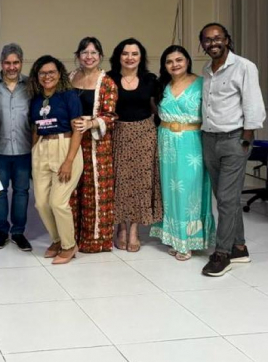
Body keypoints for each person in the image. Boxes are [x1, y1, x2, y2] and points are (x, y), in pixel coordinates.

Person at [199, 23, 266, 277]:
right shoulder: (207, 70)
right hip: (209, 139)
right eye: (207, 39)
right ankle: (239, 247)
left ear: (227, 39)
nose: (212, 43)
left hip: (234, 140)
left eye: (217, 38)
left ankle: (222, 253)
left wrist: (246, 138)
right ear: (202, 44)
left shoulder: (244, 66)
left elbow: (253, 103)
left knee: (227, 199)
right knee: (225, 197)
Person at [150, 46, 216, 261]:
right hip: (166, 142)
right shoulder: (162, 85)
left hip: (192, 143)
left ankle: (188, 240)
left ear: (187, 61)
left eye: (179, 59)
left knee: (190, 190)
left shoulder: (201, 83)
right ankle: (175, 237)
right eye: (169, 61)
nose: (174, 64)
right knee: (170, 191)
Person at [29, 55, 85, 264]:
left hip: (65, 147)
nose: (47, 76)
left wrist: (69, 161)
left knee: (58, 202)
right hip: (42, 148)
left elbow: (78, 129)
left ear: (59, 73)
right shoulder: (35, 98)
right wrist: (34, 150)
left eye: (51, 72)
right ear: (37, 76)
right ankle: (57, 239)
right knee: (41, 203)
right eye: (42, 73)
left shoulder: (68, 95)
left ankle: (69, 246)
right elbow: (35, 128)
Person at [108, 38, 162, 252]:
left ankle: (134, 230)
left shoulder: (150, 79)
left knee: (141, 183)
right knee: (118, 182)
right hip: (117, 134)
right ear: (118, 56)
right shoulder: (109, 79)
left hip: (144, 134)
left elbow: (157, 108)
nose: (129, 58)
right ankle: (121, 227)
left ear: (141, 57)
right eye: (125, 53)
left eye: (134, 54)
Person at [69, 37, 119, 253]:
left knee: (94, 190)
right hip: (71, 141)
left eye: (93, 53)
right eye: (84, 52)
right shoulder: (70, 78)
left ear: (100, 56)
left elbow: (111, 116)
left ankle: (95, 240)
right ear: (78, 56)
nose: (89, 57)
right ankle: (70, 237)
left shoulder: (106, 82)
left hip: (96, 145)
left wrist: (90, 123)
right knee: (71, 189)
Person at [0, 43, 33, 251]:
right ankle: (1, 231)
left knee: (22, 191)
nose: (11, 67)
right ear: (1, 63)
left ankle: (18, 232)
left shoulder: (31, 85)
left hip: (25, 149)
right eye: (7, 63)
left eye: (16, 62)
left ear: (21, 63)